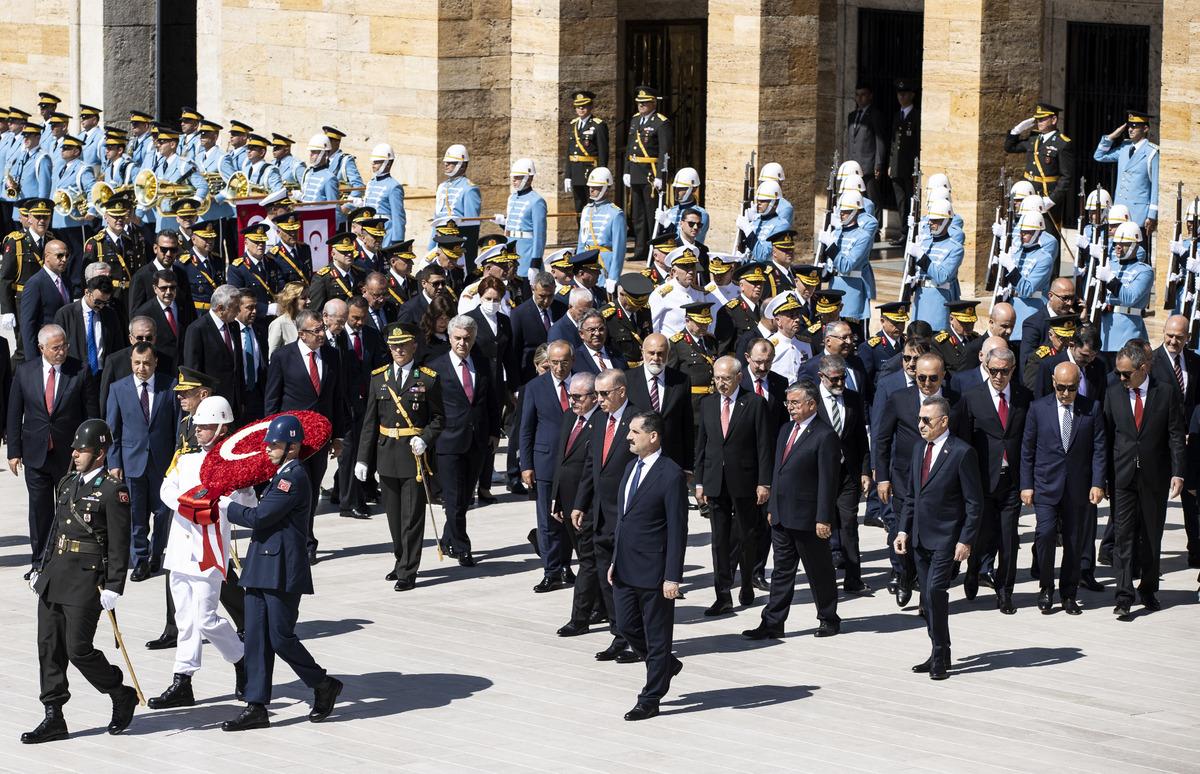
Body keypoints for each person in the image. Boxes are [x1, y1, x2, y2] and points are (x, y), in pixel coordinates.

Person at [222, 414, 343, 731]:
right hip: (263, 565)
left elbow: (261, 516)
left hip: (282, 569)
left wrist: (227, 507)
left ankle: (322, 683)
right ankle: (256, 705)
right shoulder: (280, 474)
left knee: (280, 637)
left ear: (292, 447)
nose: (268, 449)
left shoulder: (294, 477)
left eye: (274, 444)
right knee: (256, 639)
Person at [22, 418, 138, 743]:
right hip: (55, 574)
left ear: (100, 454)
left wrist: (115, 585)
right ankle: (54, 715)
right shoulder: (67, 483)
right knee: (49, 646)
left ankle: (118, 691)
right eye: (74, 448)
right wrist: (39, 568)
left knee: (78, 649)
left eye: (82, 449)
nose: (74, 453)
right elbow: (55, 530)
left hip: (87, 580)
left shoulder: (114, 491)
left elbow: (119, 543)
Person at [148, 396, 253, 709]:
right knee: (185, 619)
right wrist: (188, 502)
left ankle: (241, 658)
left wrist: (237, 491)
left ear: (221, 427)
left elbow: (249, 507)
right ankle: (183, 679)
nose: (198, 431)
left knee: (206, 619)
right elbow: (167, 488)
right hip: (181, 548)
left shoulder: (234, 465)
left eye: (206, 427)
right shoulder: (187, 458)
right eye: (198, 426)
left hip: (209, 553)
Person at [743, 379, 842, 640]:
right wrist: (772, 506)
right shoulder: (786, 430)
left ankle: (828, 618)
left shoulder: (824, 435)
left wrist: (823, 518)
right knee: (781, 572)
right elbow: (778, 471)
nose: (790, 407)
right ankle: (772, 622)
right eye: (788, 402)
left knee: (818, 571)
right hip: (782, 516)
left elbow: (827, 481)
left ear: (812, 404)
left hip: (809, 519)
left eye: (795, 402)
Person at [895, 396, 982, 680]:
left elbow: (974, 502)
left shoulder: (961, 452)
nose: (920, 425)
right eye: (919, 419)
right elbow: (911, 495)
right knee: (927, 600)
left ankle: (941, 650)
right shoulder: (920, 448)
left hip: (947, 538)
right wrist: (903, 530)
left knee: (935, 592)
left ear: (943, 421)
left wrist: (966, 540)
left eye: (926, 420)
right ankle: (938, 651)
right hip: (920, 538)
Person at [608, 410, 687, 721]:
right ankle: (665, 664)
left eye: (635, 432)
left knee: (657, 637)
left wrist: (672, 577)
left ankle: (650, 697)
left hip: (655, 572)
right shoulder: (630, 468)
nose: (628, 436)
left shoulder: (670, 474)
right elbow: (624, 520)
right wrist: (615, 560)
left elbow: (677, 529)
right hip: (625, 567)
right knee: (626, 626)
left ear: (653, 437)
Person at [355, 324, 445, 590]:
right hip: (386, 454)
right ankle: (400, 560)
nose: (398, 351)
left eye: (403, 345)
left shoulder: (427, 378)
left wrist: (425, 437)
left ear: (414, 345)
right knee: (394, 517)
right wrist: (363, 459)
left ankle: (408, 570)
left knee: (412, 517)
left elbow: (439, 418)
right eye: (394, 346)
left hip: (412, 455)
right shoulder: (378, 378)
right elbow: (370, 423)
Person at [1104, 342, 1185, 618]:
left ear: (1143, 368)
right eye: (1118, 373)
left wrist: (1178, 471)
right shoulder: (1113, 392)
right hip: (1122, 475)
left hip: (1155, 476)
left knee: (1151, 535)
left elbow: (1175, 434)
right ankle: (1124, 595)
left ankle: (1148, 589)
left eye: (1127, 374)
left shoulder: (1165, 393)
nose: (1122, 379)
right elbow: (1106, 436)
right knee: (1123, 536)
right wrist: (1102, 478)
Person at [8, 324, 97, 569]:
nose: (62, 351)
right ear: (42, 348)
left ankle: (67, 560)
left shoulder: (79, 370)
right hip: (35, 453)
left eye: (64, 346)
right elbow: (14, 414)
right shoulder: (25, 372)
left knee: (69, 509)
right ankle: (39, 562)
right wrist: (14, 452)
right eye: (56, 348)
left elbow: (91, 415)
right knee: (39, 511)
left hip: (69, 456)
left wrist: (90, 451)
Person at [1020, 362, 1106, 615]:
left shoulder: (1091, 408)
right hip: (1046, 486)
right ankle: (1046, 587)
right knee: (1045, 535)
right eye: (1061, 388)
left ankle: (1069, 594)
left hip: (1078, 488)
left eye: (1070, 388)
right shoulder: (1038, 408)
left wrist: (1098, 482)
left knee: (1073, 541)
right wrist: (1026, 485)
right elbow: (1028, 450)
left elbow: (1099, 449)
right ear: (1053, 382)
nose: (1066, 393)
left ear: (1077, 384)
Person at [264, 309, 348, 562]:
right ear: (301, 334)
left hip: (319, 439)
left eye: (322, 328)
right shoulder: (283, 357)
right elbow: (272, 399)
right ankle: (287, 538)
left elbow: (337, 398)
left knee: (310, 490)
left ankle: (307, 540)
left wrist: (338, 436)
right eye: (316, 331)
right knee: (288, 489)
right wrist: (270, 437)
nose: (322, 334)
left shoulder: (333, 356)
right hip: (289, 440)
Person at [954, 347, 1031, 613]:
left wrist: (1027, 482)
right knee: (980, 534)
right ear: (987, 368)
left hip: (1011, 481)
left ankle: (1005, 591)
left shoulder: (1024, 397)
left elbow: (1027, 440)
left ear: (1012, 370)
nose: (999, 376)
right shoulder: (971, 397)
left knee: (1008, 539)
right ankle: (973, 571)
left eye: (1004, 371)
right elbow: (962, 443)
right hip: (982, 482)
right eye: (994, 370)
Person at [695, 356, 772, 614]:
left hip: (745, 481)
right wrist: (699, 482)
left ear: (739, 377)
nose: (721, 383)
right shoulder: (707, 404)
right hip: (716, 481)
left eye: (726, 378)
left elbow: (764, 445)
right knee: (718, 540)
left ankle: (747, 581)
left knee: (747, 534)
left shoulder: (754, 403)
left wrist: (764, 482)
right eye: (717, 378)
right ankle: (723, 593)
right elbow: (702, 446)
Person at [571, 369, 638, 662]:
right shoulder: (598, 419)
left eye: (604, 394)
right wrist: (579, 503)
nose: (598, 400)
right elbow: (591, 465)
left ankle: (636, 637)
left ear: (621, 391)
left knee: (627, 580)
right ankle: (618, 633)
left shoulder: (639, 420)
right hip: (599, 514)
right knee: (605, 577)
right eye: (596, 394)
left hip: (626, 515)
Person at [430, 314, 501, 566]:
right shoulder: (436, 367)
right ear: (450, 338)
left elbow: (492, 401)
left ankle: (448, 538)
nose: (462, 343)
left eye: (467, 339)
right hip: (448, 442)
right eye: (458, 338)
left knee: (464, 497)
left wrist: (494, 431)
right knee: (453, 496)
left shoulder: (481, 365)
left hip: (477, 440)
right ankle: (462, 546)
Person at [105, 342, 178, 579]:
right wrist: (114, 463)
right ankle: (140, 559)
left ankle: (157, 555)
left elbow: (178, 427)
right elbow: (112, 430)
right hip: (132, 462)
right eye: (137, 363)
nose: (142, 368)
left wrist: (178, 461)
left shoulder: (170, 386)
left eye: (146, 363)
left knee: (162, 512)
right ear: (131, 363)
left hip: (163, 463)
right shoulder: (118, 388)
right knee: (136, 515)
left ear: (155, 361)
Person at [520, 340, 576, 591]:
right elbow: (526, 429)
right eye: (554, 362)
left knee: (571, 518)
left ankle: (566, 564)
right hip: (545, 462)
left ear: (572, 361)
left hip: (575, 463)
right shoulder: (535, 387)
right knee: (547, 520)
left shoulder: (583, 384)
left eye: (564, 362)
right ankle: (551, 570)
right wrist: (526, 464)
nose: (559, 367)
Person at [813, 354, 872, 594]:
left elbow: (860, 438)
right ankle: (823, 577)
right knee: (822, 525)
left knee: (849, 524)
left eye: (843, 378)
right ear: (822, 377)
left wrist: (865, 471)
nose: (840, 384)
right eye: (834, 379)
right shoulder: (811, 400)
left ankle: (853, 577)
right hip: (820, 475)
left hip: (848, 472)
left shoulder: (852, 398)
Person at [550, 372, 602, 636]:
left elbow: (591, 472)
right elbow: (562, 459)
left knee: (588, 561)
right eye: (570, 395)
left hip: (589, 505)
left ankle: (579, 617)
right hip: (567, 504)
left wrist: (580, 505)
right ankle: (600, 606)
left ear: (594, 397)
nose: (572, 401)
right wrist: (557, 497)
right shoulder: (570, 417)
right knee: (585, 558)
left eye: (578, 397)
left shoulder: (601, 424)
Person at [1003, 102, 1075, 235]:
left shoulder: (1062, 143)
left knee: (1047, 233)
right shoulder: (1034, 138)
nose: (1039, 122)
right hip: (1028, 194)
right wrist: (1016, 130)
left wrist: (1052, 200)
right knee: (1026, 231)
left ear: (1053, 120)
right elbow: (1010, 147)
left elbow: (1066, 177)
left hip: (1047, 196)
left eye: (1042, 119)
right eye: (1037, 119)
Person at [625, 332, 693, 471]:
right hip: (636, 459)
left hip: (672, 459)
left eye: (661, 353)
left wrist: (688, 466)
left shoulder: (681, 380)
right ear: (642, 352)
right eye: (651, 353)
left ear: (668, 354)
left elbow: (687, 425)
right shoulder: (627, 379)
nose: (656, 358)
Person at [623, 86, 671, 268]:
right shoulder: (635, 120)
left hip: (651, 174)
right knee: (637, 215)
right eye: (639, 103)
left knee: (652, 215)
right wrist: (627, 170)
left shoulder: (661, 122)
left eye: (644, 103)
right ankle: (640, 249)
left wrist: (660, 175)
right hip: (636, 172)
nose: (641, 106)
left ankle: (654, 252)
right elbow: (630, 148)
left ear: (653, 103)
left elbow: (664, 151)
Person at [1093, 110, 1158, 237]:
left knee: (1139, 251)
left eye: (1135, 127)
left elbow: (1155, 186)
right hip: (1120, 210)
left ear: (1145, 129)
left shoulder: (1151, 152)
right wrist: (1112, 136)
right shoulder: (1124, 147)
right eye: (1129, 126)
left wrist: (1152, 215)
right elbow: (1099, 156)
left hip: (1139, 213)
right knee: (1119, 250)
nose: (1130, 130)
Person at [183, 284, 244, 414]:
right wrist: (197, 403)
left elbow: (237, 365)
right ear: (220, 308)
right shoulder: (197, 329)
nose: (239, 311)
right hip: (211, 403)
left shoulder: (234, 326)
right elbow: (192, 370)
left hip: (235, 403)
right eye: (235, 307)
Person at [428, 144, 481, 270]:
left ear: (462, 165)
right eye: (446, 162)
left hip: (456, 242)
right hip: (440, 238)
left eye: (451, 163)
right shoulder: (442, 186)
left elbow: (471, 226)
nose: (446, 165)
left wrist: (465, 252)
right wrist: (431, 245)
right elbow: (437, 220)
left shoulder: (469, 189)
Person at [18, 238, 71, 361]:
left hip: (63, 349)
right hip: (46, 351)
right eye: (59, 256)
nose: (64, 259)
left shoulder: (66, 281)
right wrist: (32, 360)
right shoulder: (35, 283)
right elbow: (28, 325)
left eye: (66, 255)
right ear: (47, 257)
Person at [576, 166, 627, 286]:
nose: (591, 190)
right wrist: (576, 267)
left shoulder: (616, 213)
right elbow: (581, 243)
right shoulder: (586, 210)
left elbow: (619, 249)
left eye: (596, 187)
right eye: (590, 187)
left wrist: (614, 276)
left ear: (606, 189)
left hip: (604, 264)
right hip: (586, 262)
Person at [564, 90, 609, 217]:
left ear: (590, 106)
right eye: (578, 106)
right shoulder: (573, 125)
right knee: (579, 208)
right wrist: (568, 175)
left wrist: (601, 174)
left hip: (591, 172)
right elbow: (569, 152)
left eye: (584, 106)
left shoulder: (598, 125)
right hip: (576, 172)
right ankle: (581, 235)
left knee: (592, 206)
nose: (581, 109)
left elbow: (603, 152)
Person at [844, 83, 888, 205]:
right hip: (854, 164)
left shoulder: (875, 115)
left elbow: (880, 141)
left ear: (870, 96)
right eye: (857, 95)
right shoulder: (852, 116)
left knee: (872, 198)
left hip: (869, 165)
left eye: (863, 95)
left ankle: (876, 223)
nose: (860, 98)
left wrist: (878, 164)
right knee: (856, 196)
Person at [889, 79, 921, 244]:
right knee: (901, 201)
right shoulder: (897, 115)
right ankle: (903, 231)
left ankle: (912, 231)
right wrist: (890, 164)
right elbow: (894, 143)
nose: (901, 97)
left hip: (909, 168)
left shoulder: (916, 116)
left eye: (904, 94)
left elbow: (916, 144)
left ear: (912, 95)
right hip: (897, 167)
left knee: (911, 200)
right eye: (899, 94)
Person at [267, 280, 307, 357]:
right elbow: (273, 356)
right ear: (293, 300)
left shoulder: (306, 321)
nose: (309, 301)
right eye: (303, 298)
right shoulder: (278, 324)